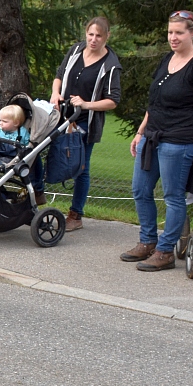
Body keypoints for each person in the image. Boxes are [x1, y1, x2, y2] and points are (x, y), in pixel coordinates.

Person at [123, 10, 193, 272]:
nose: (173, 37)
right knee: (140, 190)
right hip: (153, 136)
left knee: (173, 197)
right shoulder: (167, 59)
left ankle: (165, 251)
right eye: (170, 32)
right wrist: (140, 132)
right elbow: (155, 101)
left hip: (179, 140)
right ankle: (147, 241)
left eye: (179, 32)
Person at [50, 16, 122, 231]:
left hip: (85, 123)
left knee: (81, 168)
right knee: (41, 152)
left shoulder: (110, 66)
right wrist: (55, 94)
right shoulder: (75, 51)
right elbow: (59, 75)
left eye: (99, 36)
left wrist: (86, 104)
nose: (93, 40)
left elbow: (113, 101)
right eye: (90, 35)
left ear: (107, 36)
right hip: (60, 117)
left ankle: (76, 214)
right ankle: (35, 195)